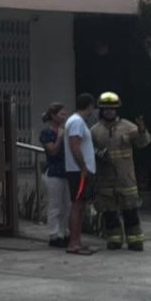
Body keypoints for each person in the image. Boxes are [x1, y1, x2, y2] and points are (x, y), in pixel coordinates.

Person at [91, 92, 151, 251]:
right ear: (101, 110)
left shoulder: (129, 127)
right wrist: (97, 153)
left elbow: (143, 143)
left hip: (126, 178)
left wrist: (142, 131)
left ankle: (135, 241)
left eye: (112, 109)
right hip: (105, 178)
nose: (109, 112)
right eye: (106, 109)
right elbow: (89, 150)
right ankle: (114, 240)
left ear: (117, 110)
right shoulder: (95, 131)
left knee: (130, 211)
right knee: (109, 213)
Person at [63, 93, 97, 256]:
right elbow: (75, 145)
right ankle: (73, 243)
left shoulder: (76, 121)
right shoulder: (76, 122)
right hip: (78, 171)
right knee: (77, 206)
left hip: (80, 170)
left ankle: (77, 241)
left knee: (81, 205)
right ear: (90, 105)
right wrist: (83, 167)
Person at [39, 102, 70, 248]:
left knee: (67, 205)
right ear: (53, 115)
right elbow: (52, 151)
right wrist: (59, 137)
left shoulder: (66, 130)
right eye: (61, 114)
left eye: (65, 114)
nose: (64, 117)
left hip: (66, 171)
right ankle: (54, 234)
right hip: (54, 172)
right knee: (55, 205)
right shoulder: (47, 133)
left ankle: (63, 232)